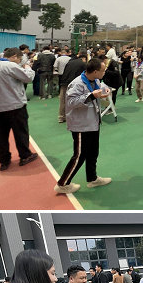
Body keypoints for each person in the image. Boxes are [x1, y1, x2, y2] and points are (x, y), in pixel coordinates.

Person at [55, 57, 112, 195]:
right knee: (79, 156)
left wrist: (104, 90)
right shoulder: (77, 84)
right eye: (103, 70)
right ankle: (63, 184)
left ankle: (92, 178)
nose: (104, 72)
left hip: (93, 123)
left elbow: (99, 88)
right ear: (95, 71)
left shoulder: (95, 80)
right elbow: (71, 102)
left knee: (93, 153)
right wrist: (91, 96)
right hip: (81, 126)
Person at [0, 47, 38, 171]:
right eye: (19, 59)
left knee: (0, 136)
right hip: (14, 106)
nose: (19, 61)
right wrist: (27, 67)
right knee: (20, 133)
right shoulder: (10, 66)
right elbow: (28, 77)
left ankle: (4, 161)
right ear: (14, 56)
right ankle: (25, 155)